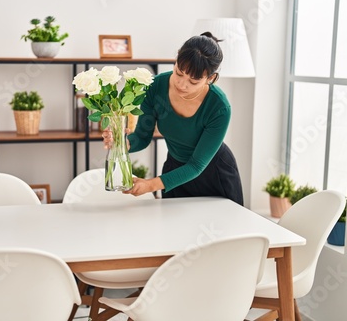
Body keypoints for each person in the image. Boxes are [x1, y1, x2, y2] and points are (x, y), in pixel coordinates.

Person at [102, 32, 244, 205]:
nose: (182, 84)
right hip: (174, 172)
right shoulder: (155, 87)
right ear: (176, 60)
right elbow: (142, 136)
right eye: (179, 72)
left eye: (193, 81)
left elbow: (196, 165)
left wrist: (150, 185)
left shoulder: (219, 107)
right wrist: (122, 143)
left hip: (214, 174)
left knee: (223, 230)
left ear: (211, 78)